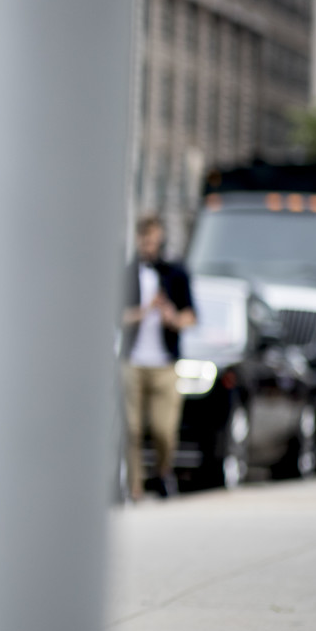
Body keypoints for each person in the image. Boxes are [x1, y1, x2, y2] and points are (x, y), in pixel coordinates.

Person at [121, 214, 196, 502]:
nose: (149, 246)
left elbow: (191, 316)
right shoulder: (128, 274)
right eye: (144, 240)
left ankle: (164, 471)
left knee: (163, 428)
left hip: (165, 363)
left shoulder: (175, 273)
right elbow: (117, 315)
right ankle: (135, 486)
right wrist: (144, 310)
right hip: (133, 360)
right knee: (132, 427)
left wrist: (171, 317)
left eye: (153, 240)